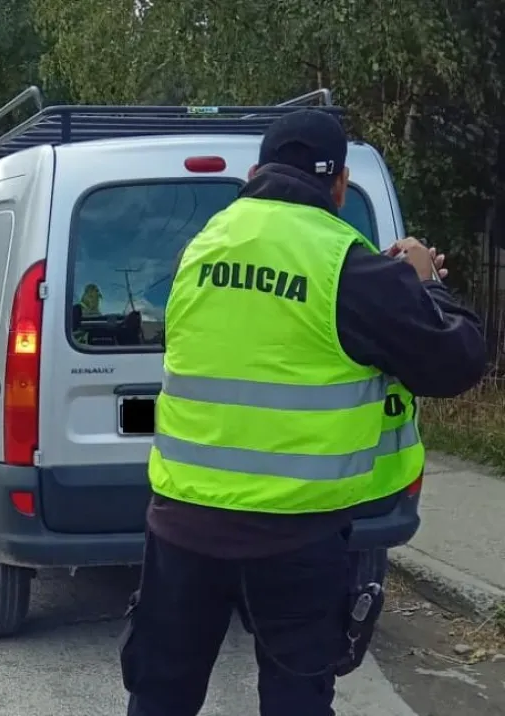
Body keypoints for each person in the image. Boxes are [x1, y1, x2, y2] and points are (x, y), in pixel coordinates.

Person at [121, 110, 486, 716]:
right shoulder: (345, 262)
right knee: (295, 701)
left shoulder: (200, 246)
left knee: (160, 699)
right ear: (339, 185)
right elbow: (456, 360)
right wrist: (426, 284)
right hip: (293, 539)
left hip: (180, 528)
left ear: (255, 173)